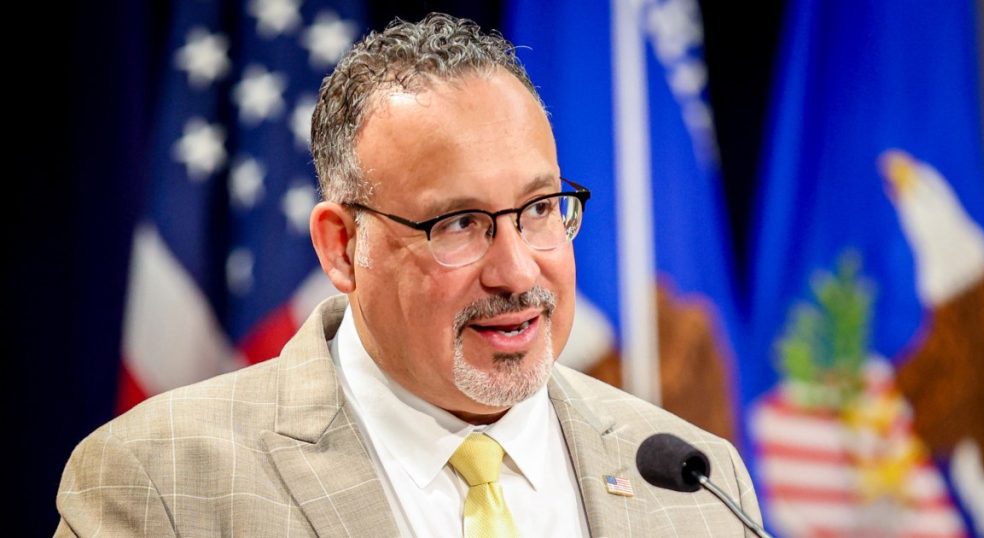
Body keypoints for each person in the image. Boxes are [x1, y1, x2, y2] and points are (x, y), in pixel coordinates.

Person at [55, 13, 761, 537]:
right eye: (458, 223)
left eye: (540, 209)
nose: (517, 271)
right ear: (340, 247)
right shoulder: (162, 483)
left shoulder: (696, 483)